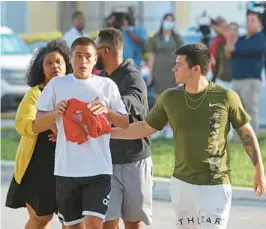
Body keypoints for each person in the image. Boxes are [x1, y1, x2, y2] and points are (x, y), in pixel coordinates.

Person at [111, 43, 266, 229]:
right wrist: (107, 132)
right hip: (182, 185)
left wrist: (259, 170)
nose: (173, 68)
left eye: (179, 64)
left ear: (196, 69)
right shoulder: (169, 98)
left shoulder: (226, 97)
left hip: (216, 185)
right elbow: (145, 127)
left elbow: (246, 133)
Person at [34, 37, 129, 229]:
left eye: (88, 56)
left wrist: (107, 111)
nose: (83, 61)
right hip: (66, 170)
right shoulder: (57, 85)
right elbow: (38, 123)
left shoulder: (107, 86)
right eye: (78, 56)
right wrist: (55, 112)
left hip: (98, 170)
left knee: (95, 225)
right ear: (70, 58)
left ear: (96, 59)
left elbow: (125, 122)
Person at [5, 39, 73, 229]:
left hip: (71, 163)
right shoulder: (35, 94)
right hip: (39, 166)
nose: (55, 66)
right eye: (49, 63)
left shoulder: (76, 89)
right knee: (40, 219)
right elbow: (23, 124)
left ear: (67, 64)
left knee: (73, 220)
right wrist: (50, 123)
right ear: (41, 69)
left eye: (58, 62)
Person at [95, 28, 152, 229]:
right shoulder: (99, 79)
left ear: (105, 51)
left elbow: (134, 101)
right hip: (105, 162)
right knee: (107, 223)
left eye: (95, 50)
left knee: (132, 224)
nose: (93, 55)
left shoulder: (132, 77)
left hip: (133, 161)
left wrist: (109, 108)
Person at [230, 11, 265, 135]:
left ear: (260, 24)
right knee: (236, 110)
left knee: (250, 110)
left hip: (250, 80)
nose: (248, 23)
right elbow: (229, 52)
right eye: (247, 20)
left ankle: (252, 136)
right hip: (236, 79)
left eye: (252, 20)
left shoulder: (260, 39)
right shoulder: (240, 39)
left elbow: (246, 50)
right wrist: (230, 38)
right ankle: (237, 137)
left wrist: (235, 48)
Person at [147, 13, 184, 97]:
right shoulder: (155, 38)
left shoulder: (177, 38)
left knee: (172, 97)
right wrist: (150, 74)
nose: (168, 22)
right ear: (162, 22)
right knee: (158, 98)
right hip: (159, 72)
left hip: (172, 73)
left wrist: (180, 73)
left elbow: (182, 58)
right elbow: (151, 57)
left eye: (171, 21)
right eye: (167, 20)